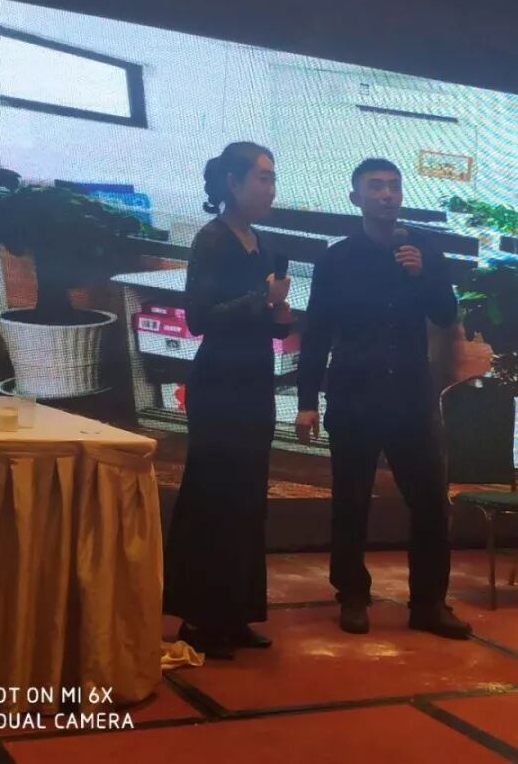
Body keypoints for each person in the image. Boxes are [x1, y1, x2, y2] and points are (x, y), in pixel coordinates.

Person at [295, 158, 471, 640]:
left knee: (430, 502)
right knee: (351, 502)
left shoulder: (422, 250)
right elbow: (317, 332)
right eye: (376, 187)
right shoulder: (336, 259)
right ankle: (352, 595)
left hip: (410, 396)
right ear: (356, 198)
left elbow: (446, 313)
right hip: (354, 394)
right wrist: (307, 400)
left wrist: (422, 276)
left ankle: (429, 603)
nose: (387, 194)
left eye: (394, 186)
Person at [163, 142, 291, 660]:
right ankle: (198, 617)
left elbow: (261, 318)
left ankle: (235, 613)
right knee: (213, 496)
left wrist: (278, 316)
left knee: (247, 499)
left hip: (254, 379)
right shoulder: (212, 239)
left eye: (273, 178)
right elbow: (200, 318)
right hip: (219, 384)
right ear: (233, 184)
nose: (271, 188)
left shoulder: (260, 242)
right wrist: (262, 300)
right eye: (263, 178)